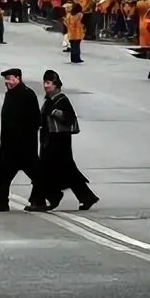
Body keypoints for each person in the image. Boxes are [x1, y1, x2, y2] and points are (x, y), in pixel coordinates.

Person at [0, 68, 48, 212]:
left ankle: (44, 199)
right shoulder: (10, 94)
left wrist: (24, 138)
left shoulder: (27, 94)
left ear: (18, 78)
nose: (7, 82)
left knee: (36, 174)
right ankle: (1, 203)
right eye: (6, 79)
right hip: (8, 144)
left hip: (24, 145)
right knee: (4, 176)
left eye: (10, 78)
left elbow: (35, 120)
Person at [40, 70, 99, 210]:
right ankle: (86, 197)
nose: (46, 86)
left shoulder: (61, 99)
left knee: (63, 170)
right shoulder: (49, 100)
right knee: (64, 171)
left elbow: (69, 118)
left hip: (60, 141)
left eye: (49, 83)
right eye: (45, 83)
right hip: (50, 139)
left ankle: (55, 195)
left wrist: (55, 113)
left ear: (56, 85)